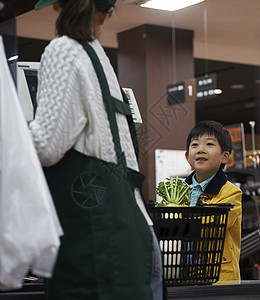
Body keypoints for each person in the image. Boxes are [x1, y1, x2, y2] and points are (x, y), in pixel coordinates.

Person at [29, 0, 163, 299]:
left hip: (96, 238)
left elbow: (45, 146)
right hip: (133, 229)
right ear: (106, 15)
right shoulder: (99, 58)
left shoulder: (62, 51)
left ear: (56, 7)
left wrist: (11, 135)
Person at [184, 120, 242, 282]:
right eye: (194, 145)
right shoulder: (181, 191)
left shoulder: (231, 192)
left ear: (225, 156)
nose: (200, 150)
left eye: (209, 144)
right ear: (187, 156)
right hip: (186, 275)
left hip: (220, 276)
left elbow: (213, 225)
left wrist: (179, 225)